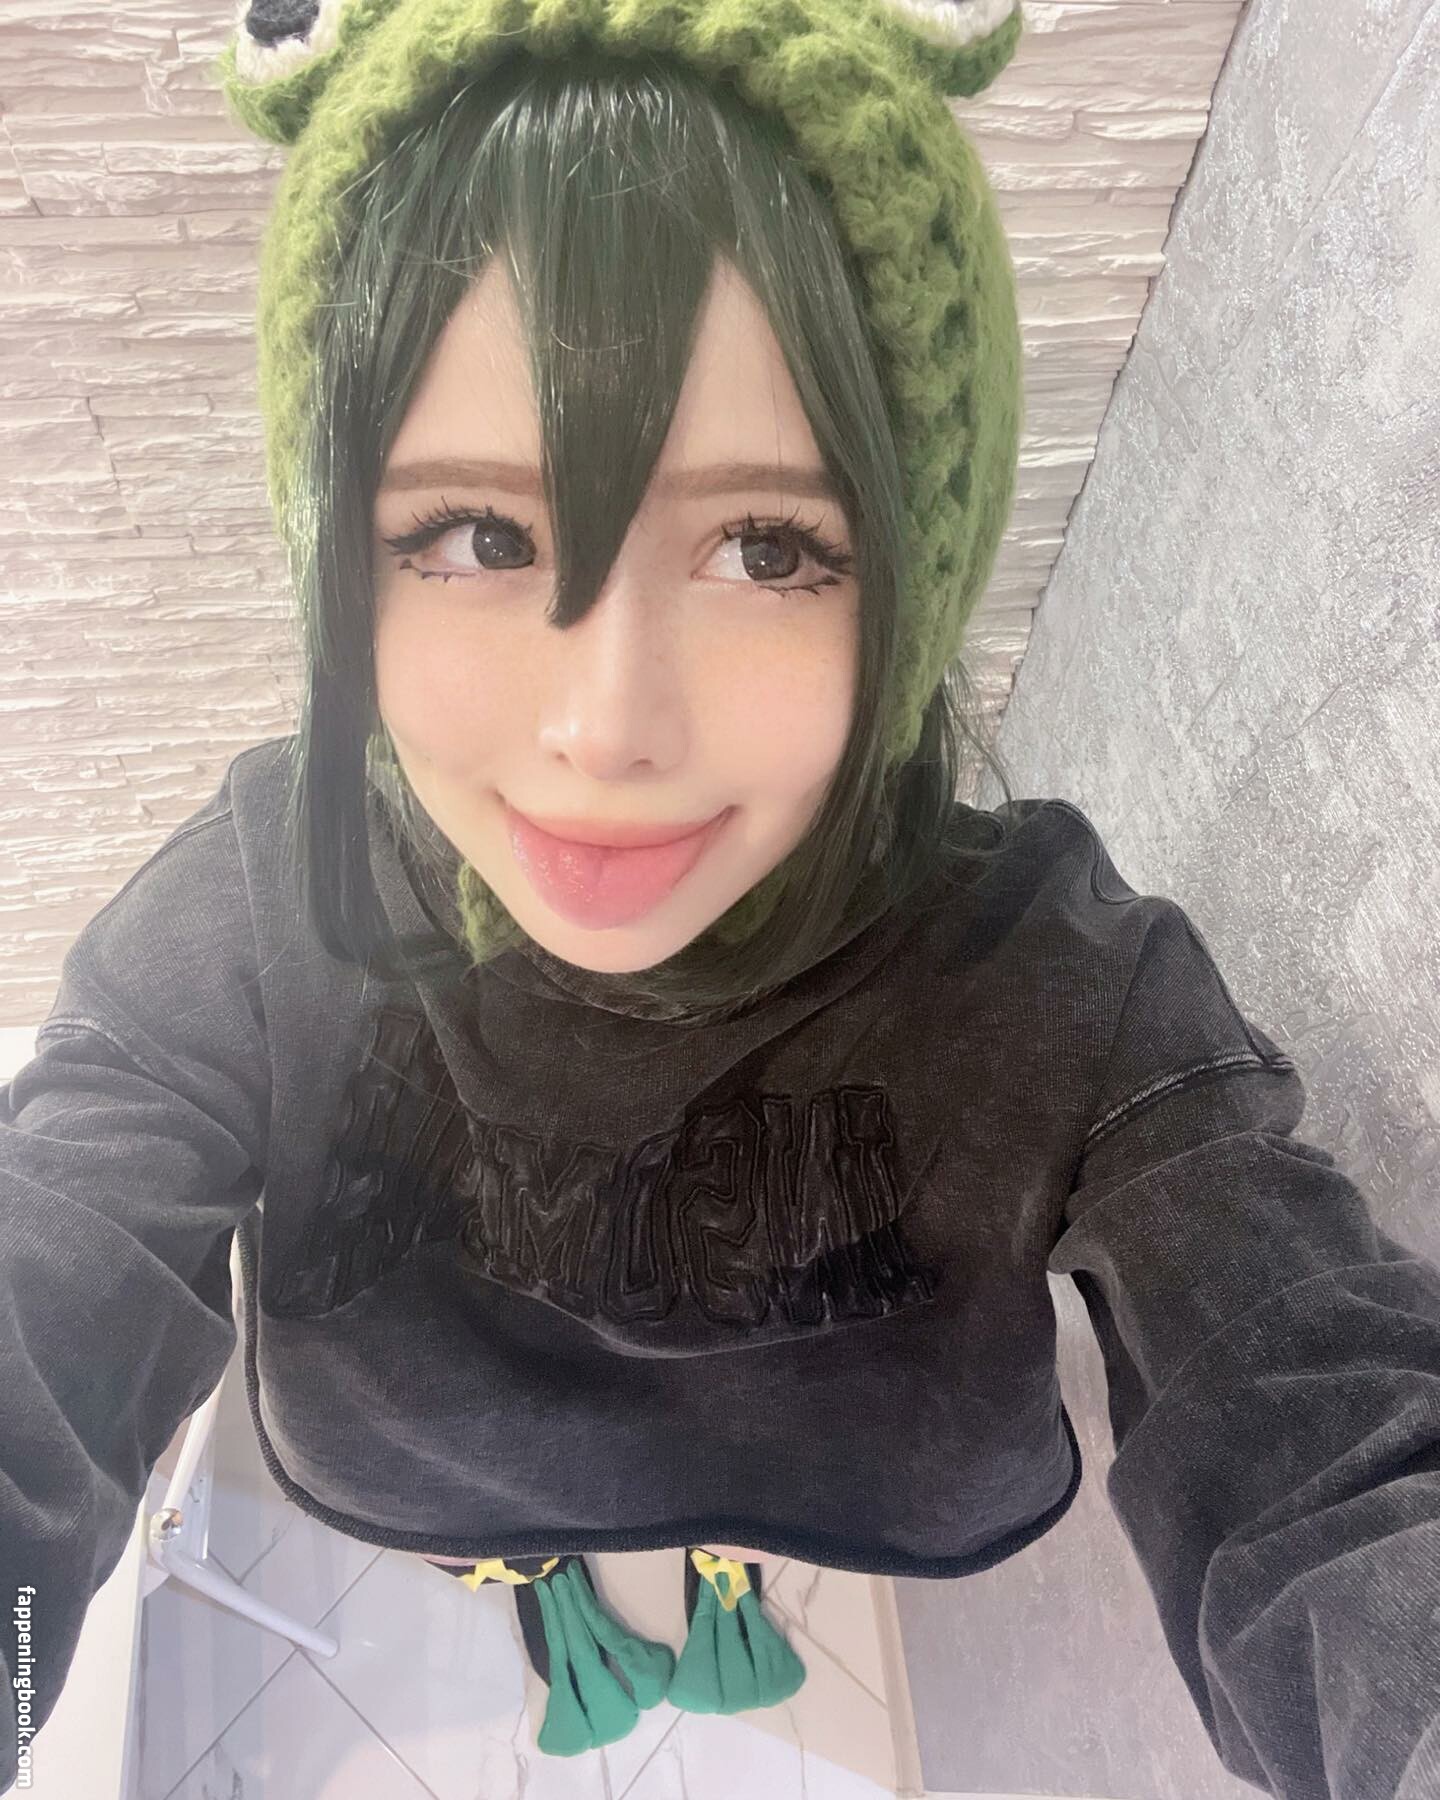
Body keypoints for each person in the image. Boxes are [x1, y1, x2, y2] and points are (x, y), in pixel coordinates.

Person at [3, 0, 1439, 1790]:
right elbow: (52, 1258)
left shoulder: (1061, 984)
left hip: (814, 1483)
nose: (605, 726)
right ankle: (536, 1570)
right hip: (438, 1476)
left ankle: (718, 1552)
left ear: (913, 566)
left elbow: (1325, 1432)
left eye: (767, 547)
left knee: (732, 1518)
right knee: (502, 1533)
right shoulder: (263, 902)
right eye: (475, 536)